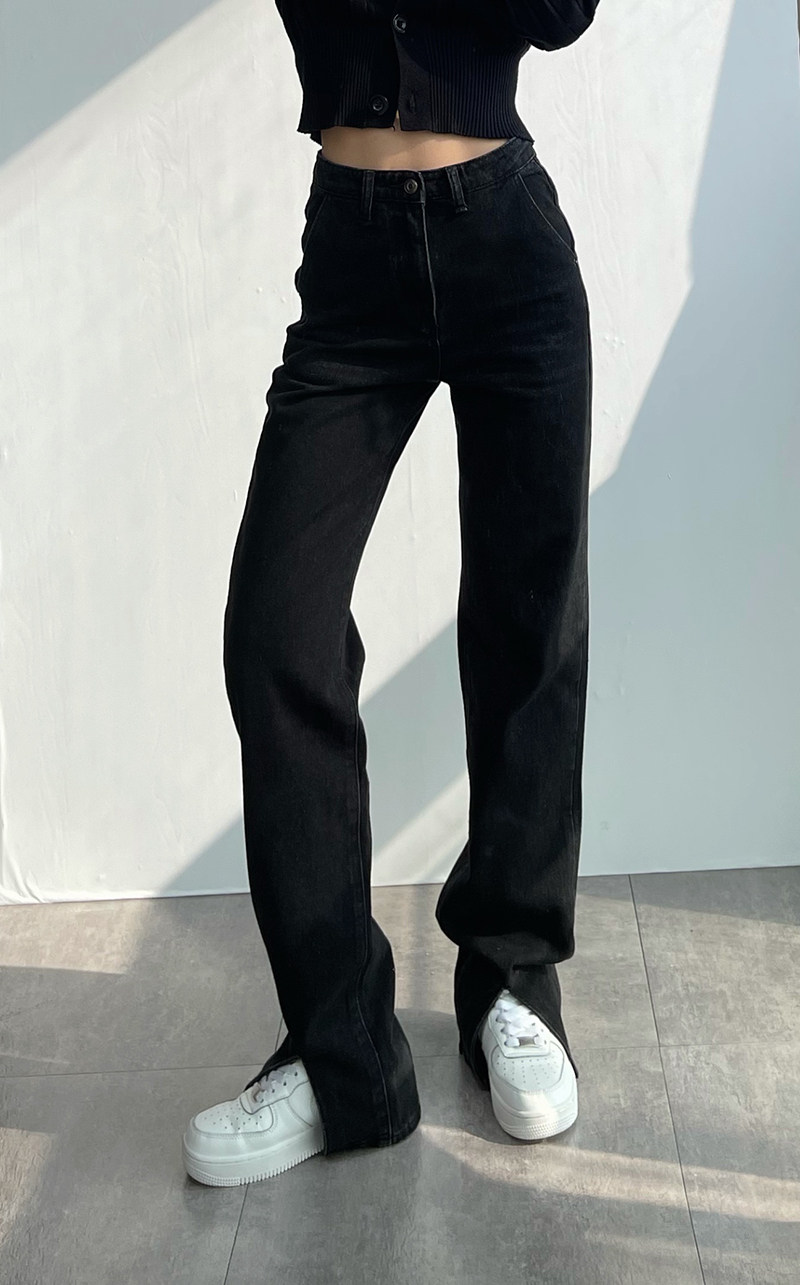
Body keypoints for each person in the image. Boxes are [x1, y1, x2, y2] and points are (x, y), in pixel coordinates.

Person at [182, 0, 600, 1187]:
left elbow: (560, 13)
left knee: (526, 616)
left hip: (507, 240)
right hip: (352, 260)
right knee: (277, 634)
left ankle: (511, 977)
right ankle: (344, 1059)